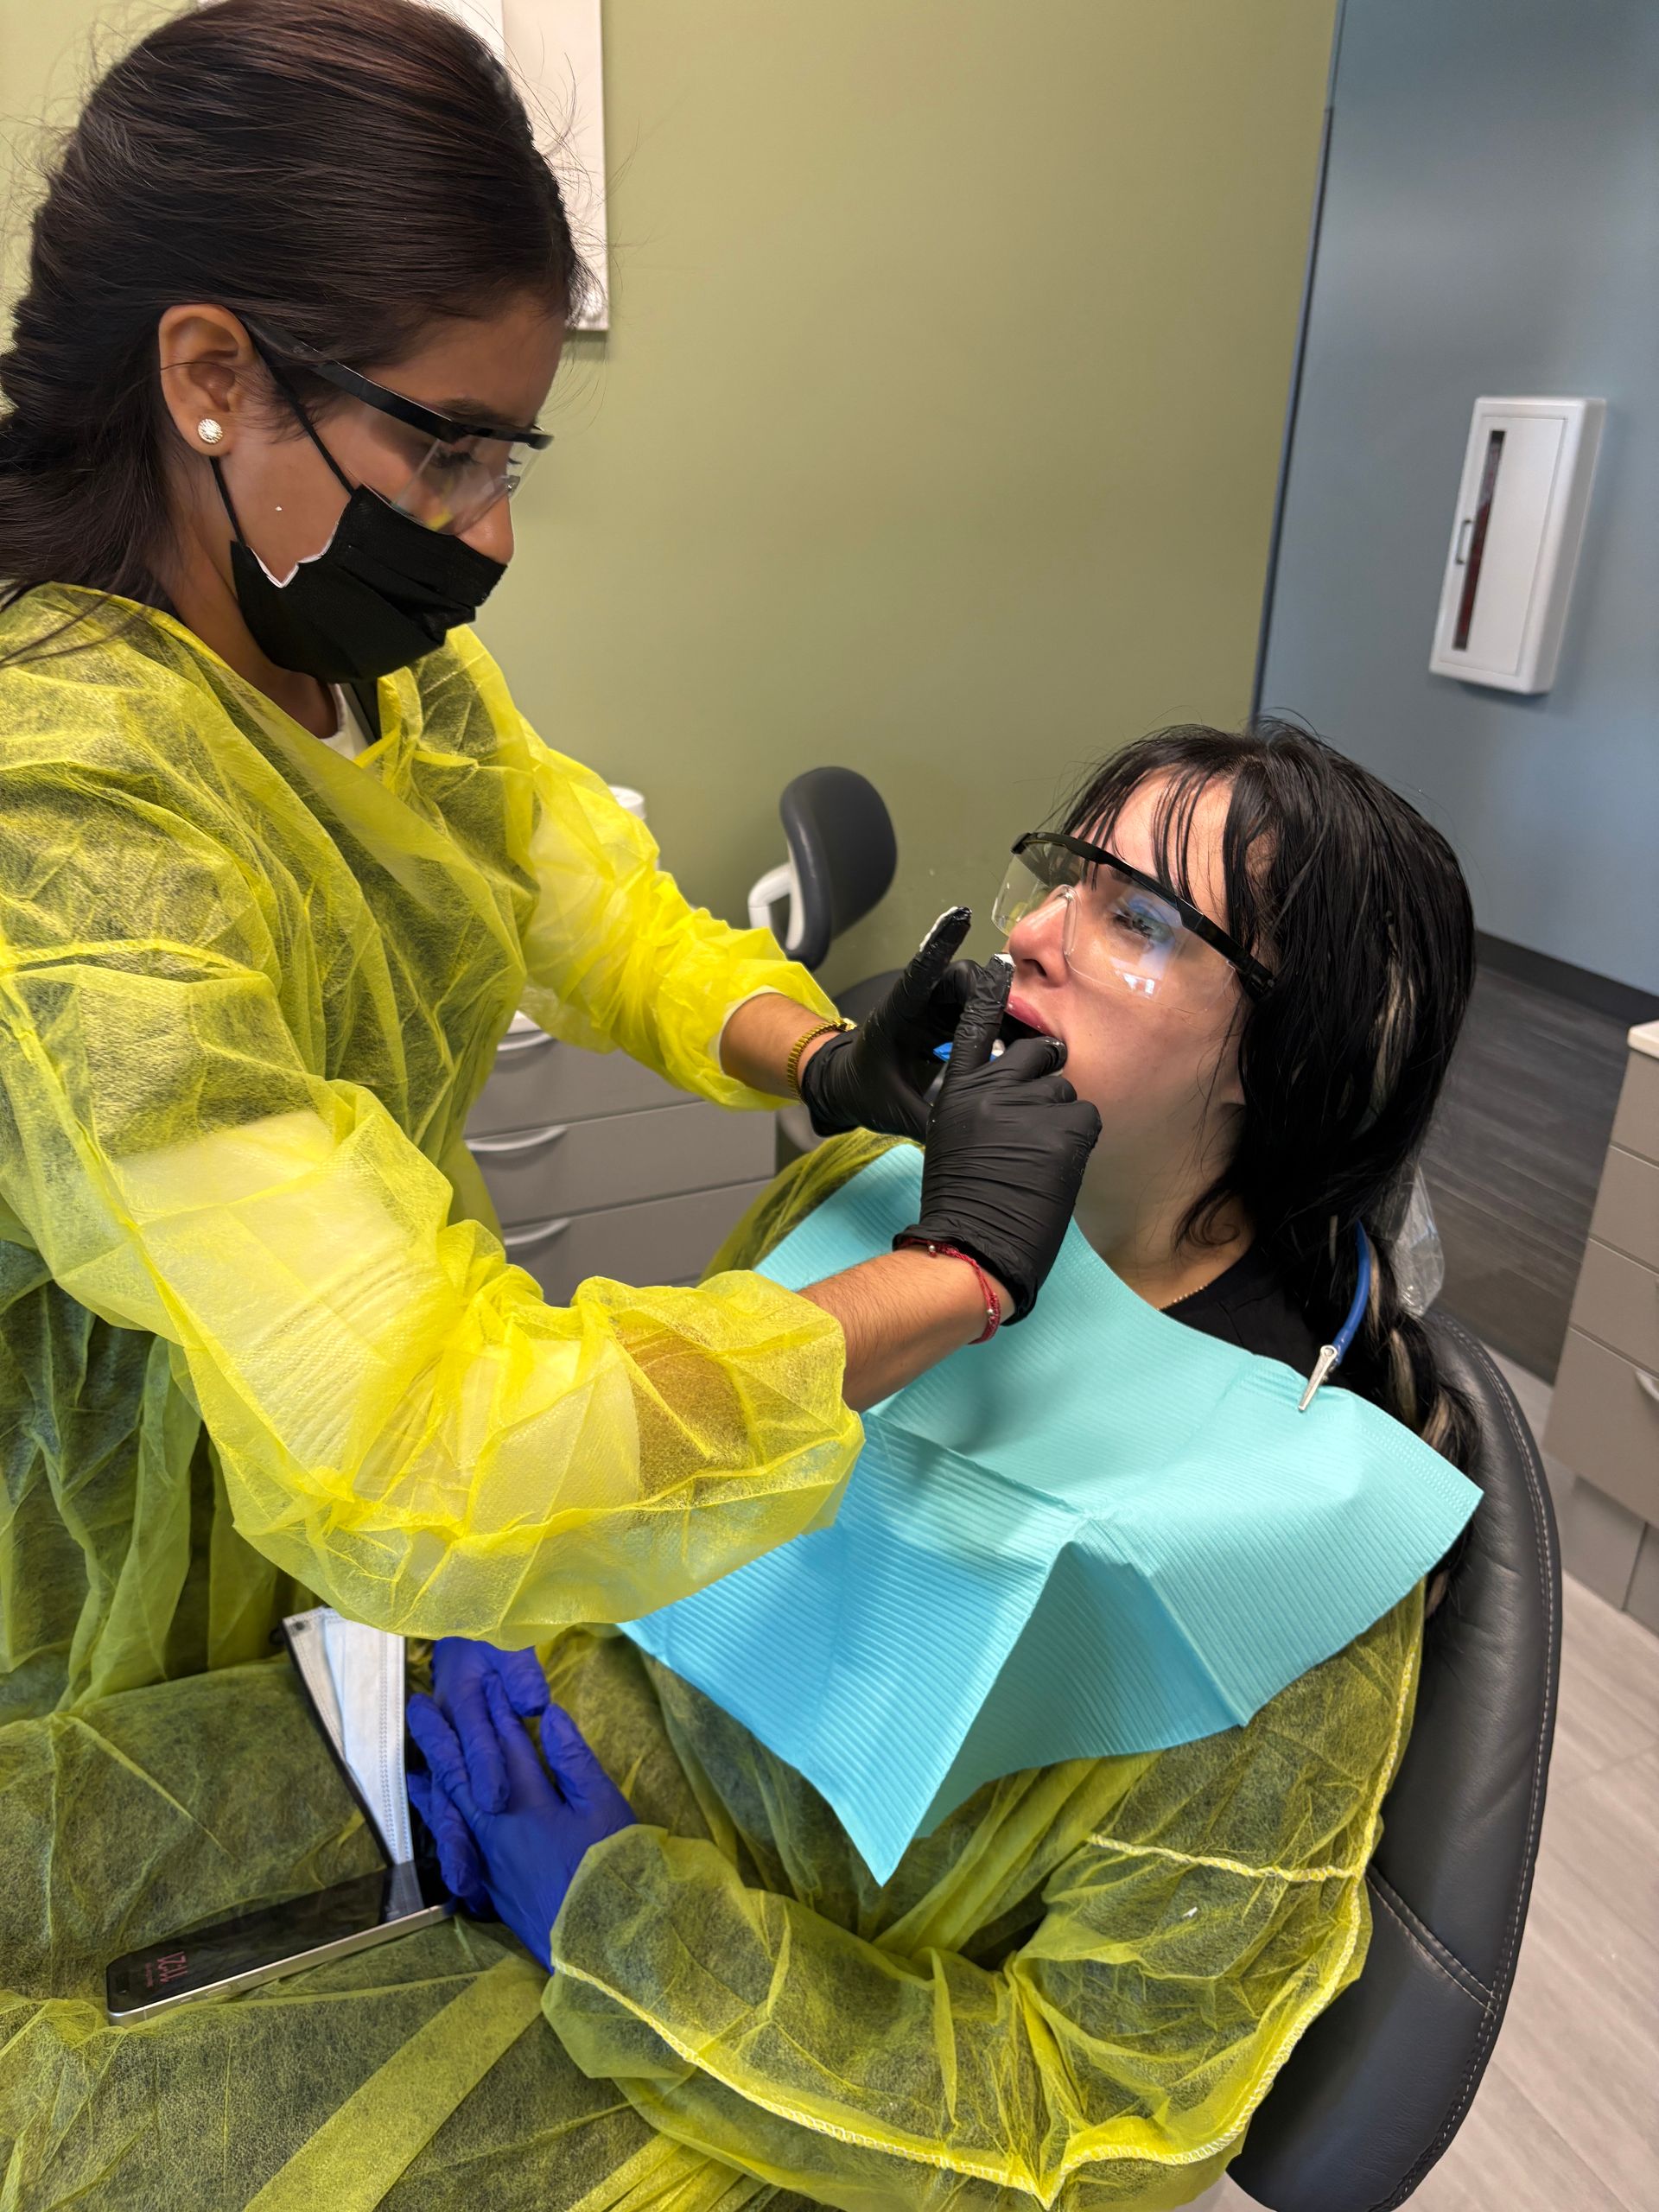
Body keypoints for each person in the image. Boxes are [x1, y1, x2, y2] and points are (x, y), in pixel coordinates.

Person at [0, 0, 1102, 1730]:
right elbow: (419, 1436)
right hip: (105, 1571)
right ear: (210, 378)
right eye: (442, 447)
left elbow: (592, 910)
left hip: (322, 1555)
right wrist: (952, 1275)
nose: (491, 530)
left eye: (506, 455)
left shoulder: (385, 674)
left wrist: (818, 1055)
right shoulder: (68, 814)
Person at [404, 721, 1480, 2212]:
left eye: (1138, 919)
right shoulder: (864, 1197)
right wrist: (502, 1629)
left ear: (1290, 1054)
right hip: (492, 1801)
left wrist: (633, 1931)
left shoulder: (1292, 1535)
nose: (1030, 934)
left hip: (767, 2101)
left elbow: (1100, 2113)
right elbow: (639, 1484)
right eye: (1065, 877)